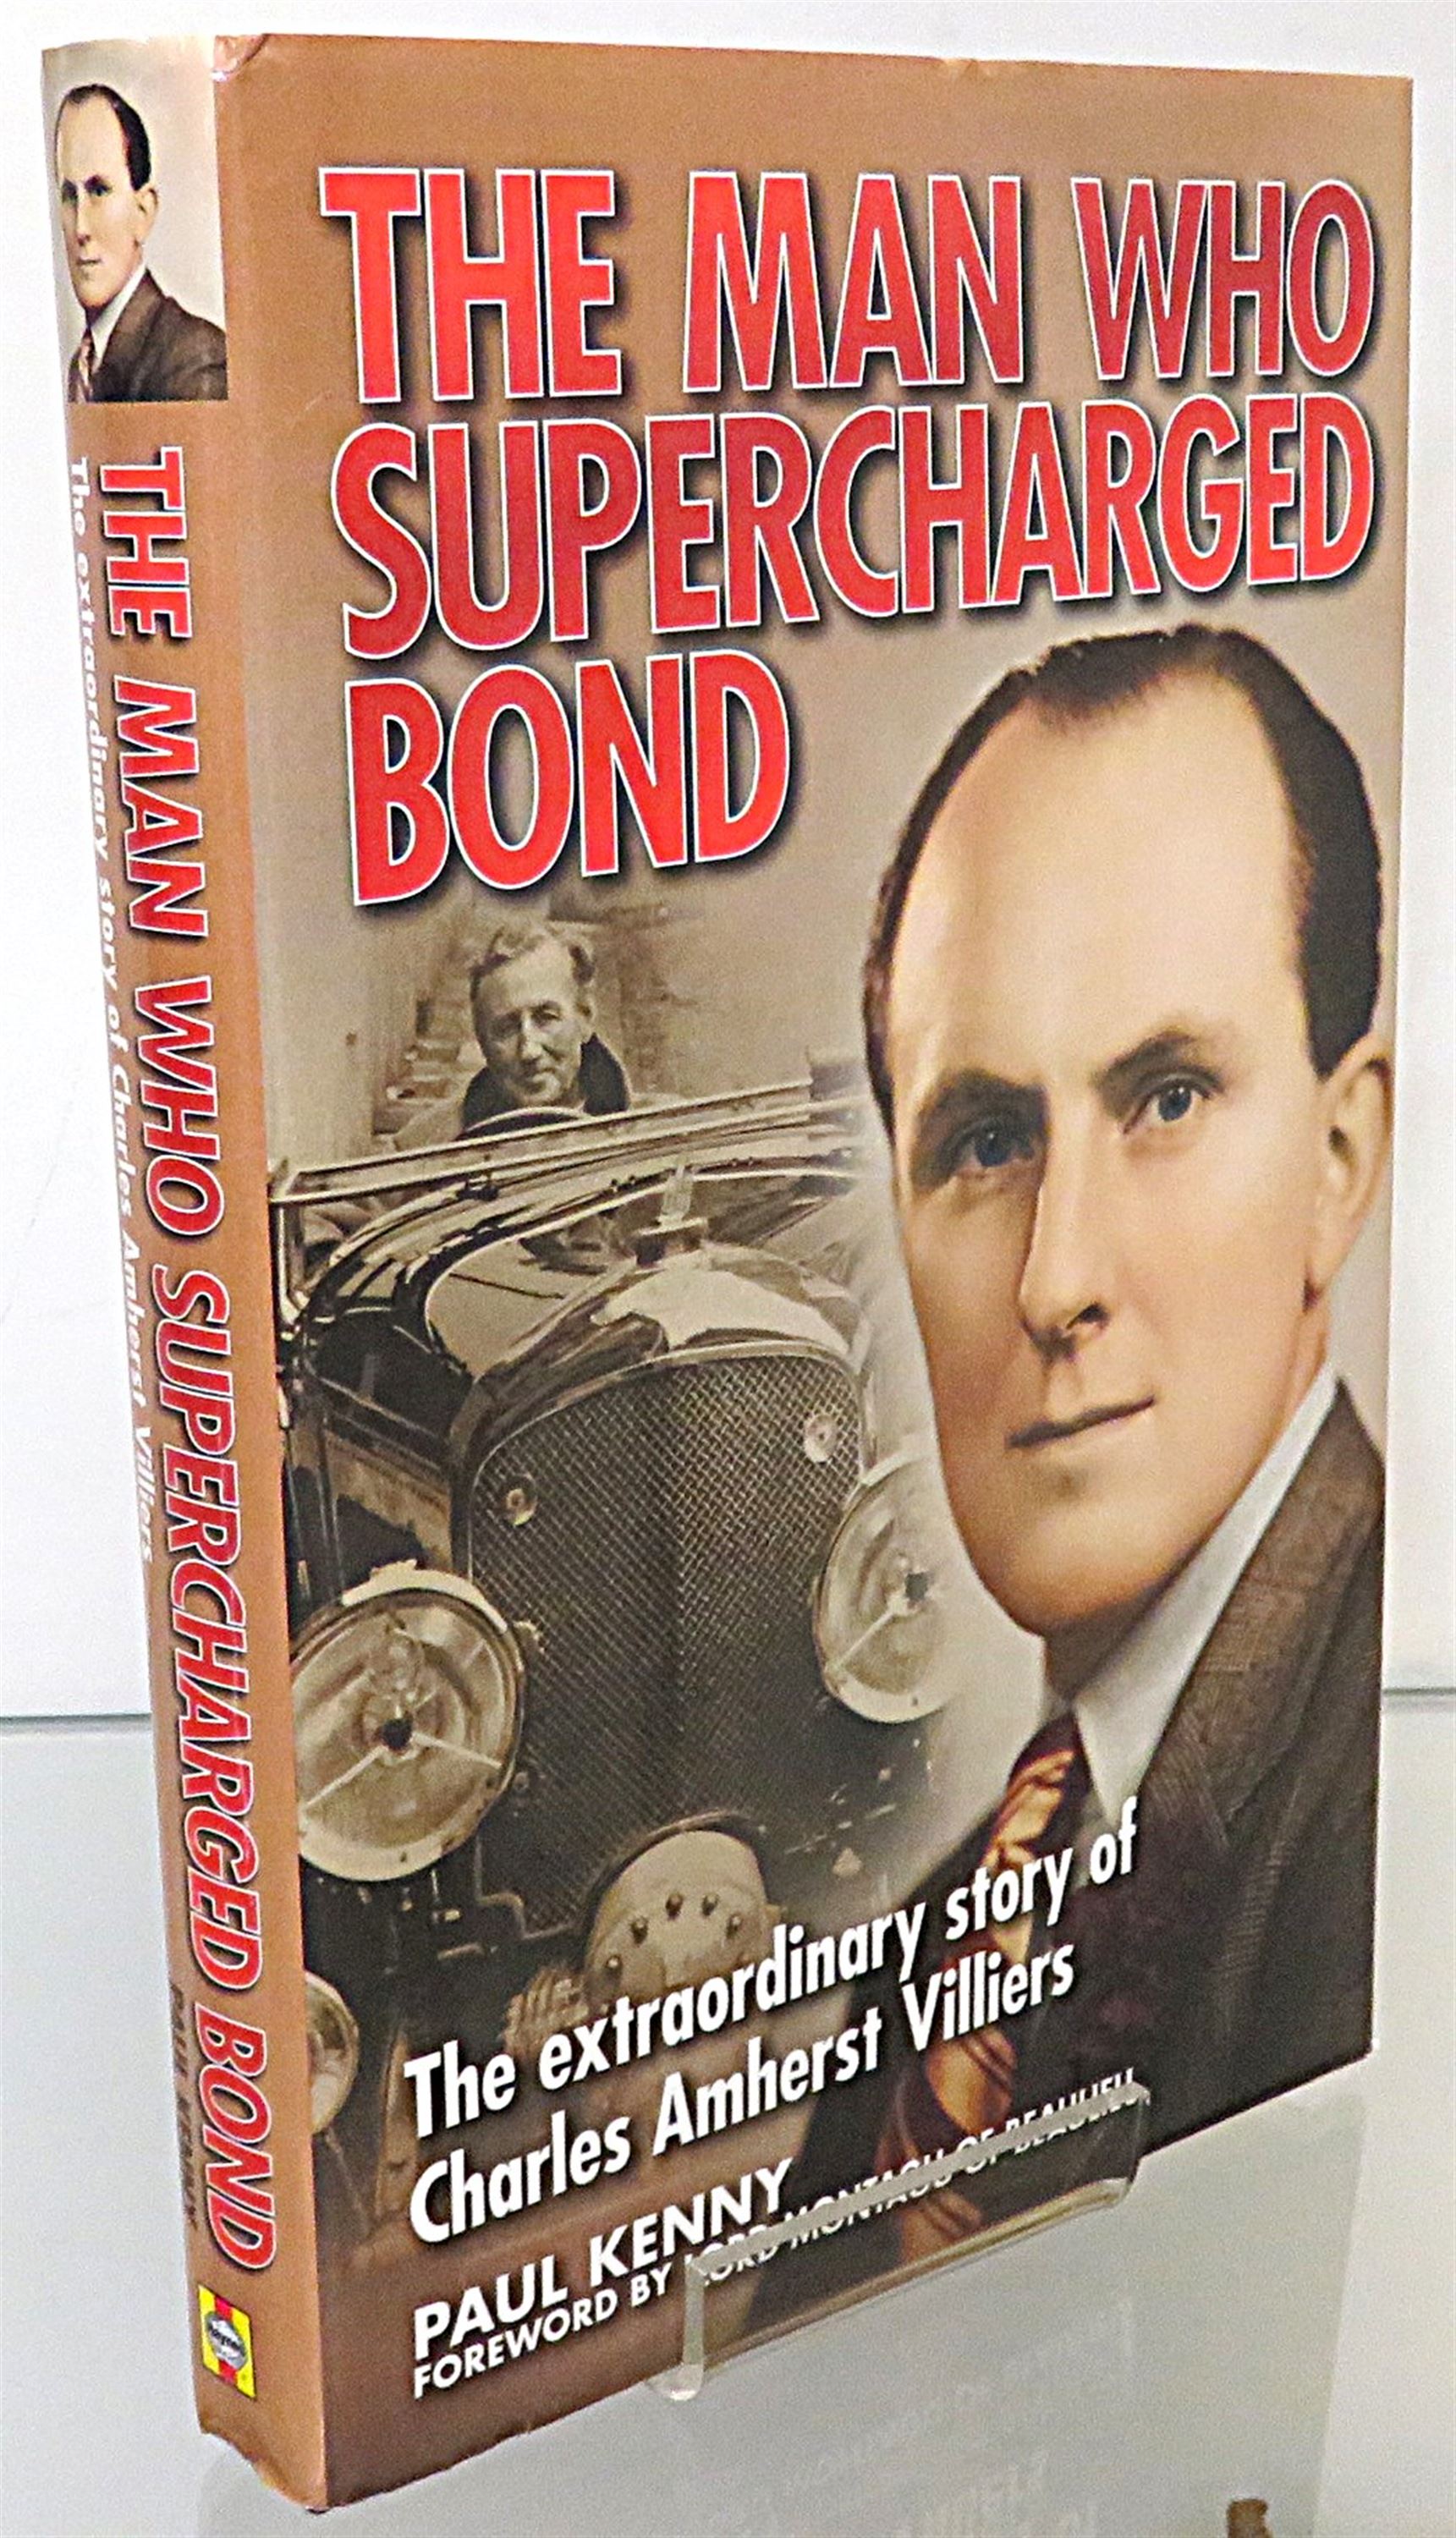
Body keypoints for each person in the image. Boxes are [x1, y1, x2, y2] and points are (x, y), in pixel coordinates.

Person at [776, 624, 1391, 2283]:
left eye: (1167, 1098)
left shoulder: (1379, 1836)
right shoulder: (938, 1941)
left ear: (1338, 1162)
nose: (1053, 1283)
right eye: (983, 1142)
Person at [55, 84, 228, 404]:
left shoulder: (194, 360)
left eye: (99, 191)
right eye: (69, 195)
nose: (80, 228)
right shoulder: (82, 366)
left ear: (143, 212)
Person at [460, 921, 629, 1133]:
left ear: (585, 1017)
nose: (528, 1052)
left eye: (546, 1018)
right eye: (505, 1029)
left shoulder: (656, 1130)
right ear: (482, 1041)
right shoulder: (434, 1140)